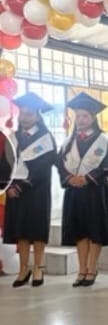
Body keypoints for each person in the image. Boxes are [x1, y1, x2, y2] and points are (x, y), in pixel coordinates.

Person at [58, 92, 108, 287]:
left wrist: (87, 178)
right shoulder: (69, 141)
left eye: (85, 116)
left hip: (95, 191)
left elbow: (107, 165)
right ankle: (81, 269)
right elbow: (60, 164)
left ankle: (92, 268)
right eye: (78, 116)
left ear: (93, 118)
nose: (81, 120)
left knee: (94, 230)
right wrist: (69, 178)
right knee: (79, 230)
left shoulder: (102, 140)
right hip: (74, 191)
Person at [3, 93, 57, 288]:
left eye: (29, 114)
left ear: (37, 116)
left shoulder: (45, 138)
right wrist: (7, 186)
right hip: (14, 191)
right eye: (22, 114)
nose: (24, 118)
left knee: (37, 229)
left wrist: (21, 185)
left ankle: (38, 268)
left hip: (36, 190)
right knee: (21, 231)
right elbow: (4, 164)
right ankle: (23, 268)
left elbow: (43, 167)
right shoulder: (13, 137)